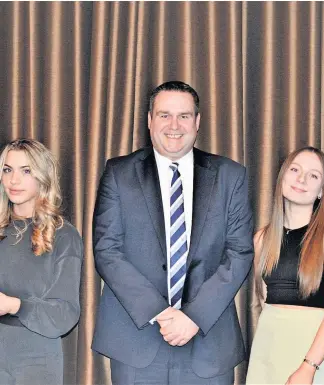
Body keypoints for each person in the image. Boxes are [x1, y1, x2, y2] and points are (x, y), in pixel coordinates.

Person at [92, 80, 254, 385]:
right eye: (164, 115)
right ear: (150, 120)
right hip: (136, 342)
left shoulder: (230, 176)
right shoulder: (118, 173)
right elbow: (107, 251)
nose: (174, 125)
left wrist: (194, 316)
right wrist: (160, 313)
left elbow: (239, 252)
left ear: (197, 121)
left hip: (208, 342)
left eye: (184, 116)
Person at [246, 147, 324, 385]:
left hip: (310, 351)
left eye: (313, 175)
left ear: (321, 191)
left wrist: (309, 367)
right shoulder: (262, 239)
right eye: (295, 170)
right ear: (282, 176)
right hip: (267, 347)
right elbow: (264, 300)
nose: (301, 179)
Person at [0, 139, 83, 384]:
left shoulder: (63, 235)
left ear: (43, 176)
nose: (14, 180)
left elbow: (66, 313)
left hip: (34, 358)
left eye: (26, 171)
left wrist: (15, 305)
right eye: (7, 169)